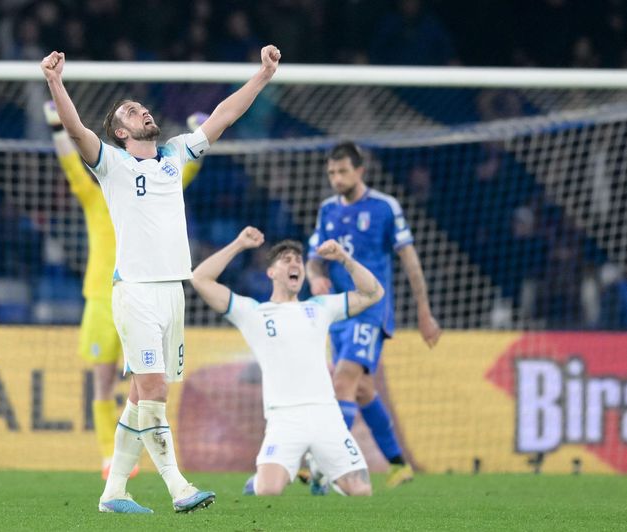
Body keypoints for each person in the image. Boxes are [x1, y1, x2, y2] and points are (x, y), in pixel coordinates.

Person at [41, 43, 280, 514]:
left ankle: (113, 494)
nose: (143, 112)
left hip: (175, 292)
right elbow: (74, 128)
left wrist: (263, 76)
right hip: (135, 293)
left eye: (143, 107)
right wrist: (54, 81)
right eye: (132, 111)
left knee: (139, 396)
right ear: (120, 130)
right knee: (155, 390)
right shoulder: (111, 164)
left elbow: (224, 115)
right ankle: (178, 486)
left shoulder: (176, 154)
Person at [43, 100, 207, 480]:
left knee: (145, 384)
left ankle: (123, 475)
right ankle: (110, 461)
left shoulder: (150, 179)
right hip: (104, 297)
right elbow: (74, 158)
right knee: (105, 380)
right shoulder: (96, 193)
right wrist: (56, 126)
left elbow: (178, 172)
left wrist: (196, 134)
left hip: (147, 291)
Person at [192, 226, 381, 496]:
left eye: (298, 260)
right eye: (286, 260)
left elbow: (373, 293)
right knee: (268, 490)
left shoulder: (319, 307)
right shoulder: (253, 312)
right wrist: (238, 244)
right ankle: (266, 479)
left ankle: (320, 470)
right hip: (284, 418)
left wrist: (344, 259)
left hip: (326, 414)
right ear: (271, 272)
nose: (295, 264)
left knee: (362, 492)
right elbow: (200, 279)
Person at [305, 141, 442, 488]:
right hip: (339, 313)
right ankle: (399, 464)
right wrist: (315, 276)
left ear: (360, 171)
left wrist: (424, 313)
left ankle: (326, 466)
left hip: (371, 311)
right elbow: (313, 257)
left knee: (344, 381)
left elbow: (410, 260)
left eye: (343, 171)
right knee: (362, 389)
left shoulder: (384, 207)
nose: (336, 178)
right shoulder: (327, 210)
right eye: (332, 173)